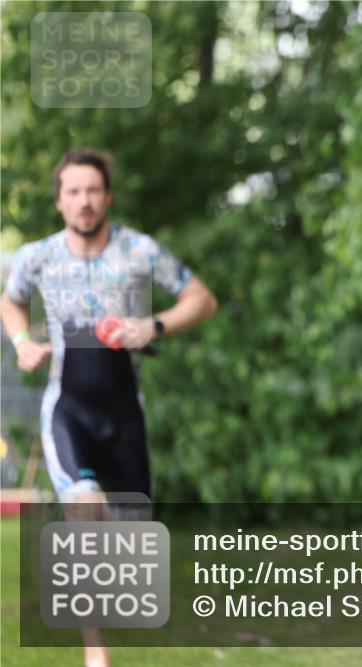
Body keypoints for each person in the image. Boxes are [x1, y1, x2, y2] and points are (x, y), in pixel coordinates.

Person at [0, 148, 217, 667]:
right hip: (68, 408)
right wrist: (20, 341)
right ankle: (96, 655)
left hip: (124, 415)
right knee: (84, 504)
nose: (84, 201)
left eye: (93, 190)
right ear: (59, 201)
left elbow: (202, 299)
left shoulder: (139, 251)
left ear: (108, 196)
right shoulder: (38, 256)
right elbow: (11, 299)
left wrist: (153, 326)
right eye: (73, 192)